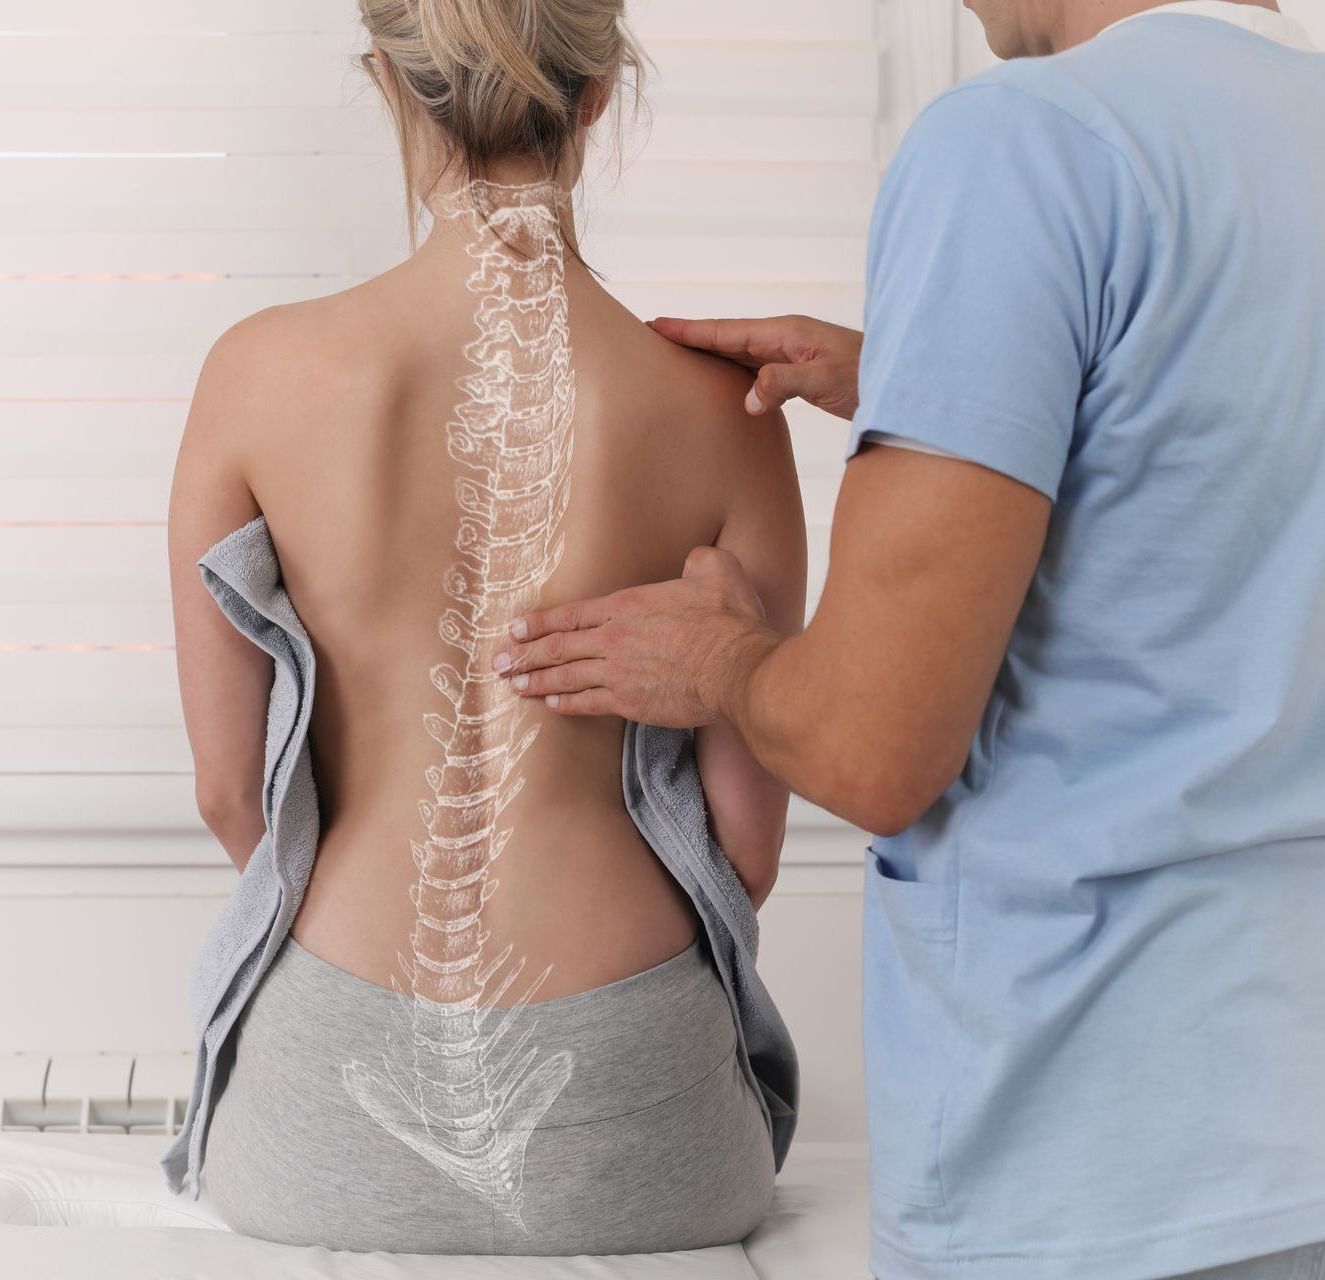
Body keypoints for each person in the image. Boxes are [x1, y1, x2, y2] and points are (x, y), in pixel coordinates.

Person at [494, 2, 1325, 1277]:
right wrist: (952, 378)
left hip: (1095, 1153)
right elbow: (1229, 471)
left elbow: (870, 746)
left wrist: (721, 661)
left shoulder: (1025, 144)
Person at [165, 0, 805, 1255]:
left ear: (390, 85)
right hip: (640, 1112)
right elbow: (745, 849)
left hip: (328, 1100)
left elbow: (229, 793)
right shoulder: (725, 409)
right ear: (600, 95)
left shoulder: (257, 371)